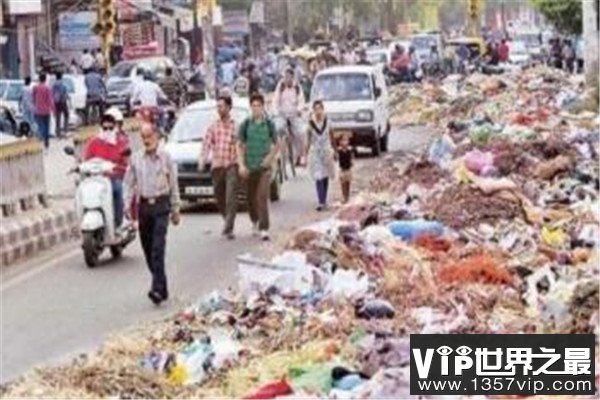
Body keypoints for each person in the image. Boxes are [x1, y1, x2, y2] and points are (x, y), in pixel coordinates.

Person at [124, 123, 180, 306]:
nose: (146, 140)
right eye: (143, 137)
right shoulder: (136, 159)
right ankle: (162, 287)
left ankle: (156, 288)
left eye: (149, 136)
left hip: (161, 206)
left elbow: (174, 184)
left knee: (158, 249)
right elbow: (128, 183)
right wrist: (126, 205)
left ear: (156, 136)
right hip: (145, 207)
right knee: (148, 250)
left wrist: (175, 208)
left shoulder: (166, 158)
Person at [237, 93, 278, 241]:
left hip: (264, 168)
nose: (256, 109)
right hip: (249, 166)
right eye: (253, 106)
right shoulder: (246, 124)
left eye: (258, 106)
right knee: (250, 198)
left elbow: (278, 143)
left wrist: (270, 157)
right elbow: (240, 145)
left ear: (263, 107)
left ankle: (264, 228)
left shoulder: (269, 124)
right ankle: (254, 220)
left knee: (262, 197)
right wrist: (241, 164)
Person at [83, 112, 130, 231]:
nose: (107, 130)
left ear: (115, 128)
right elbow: (87, 161)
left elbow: (126, 161)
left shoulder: (121, 142)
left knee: (117, 189)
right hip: (97, 179)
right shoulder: (93, 143)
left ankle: (118, 223)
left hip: (115, 178)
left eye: (110, 128)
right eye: (105, 128)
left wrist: (121, 167)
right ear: (101, 128)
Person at [201, 96, 239, 240]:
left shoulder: (236, 126)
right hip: (217, 166)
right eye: (218, 107)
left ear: (229, 108)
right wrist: (202, 159)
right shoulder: (213, 126)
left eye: (222, 106)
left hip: (231, 165)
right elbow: (206, 144)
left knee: (231, 197)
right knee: (220, 197)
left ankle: (228, 228)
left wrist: (241, 163)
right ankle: (227, 220)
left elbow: (240, 146)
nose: (219, 109)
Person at [304, 100, 335, 211]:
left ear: (323, 109)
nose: (318, 111)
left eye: (319, 108)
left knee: (325, 175)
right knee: (318, 176)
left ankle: (324, 199)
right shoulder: (310, 124)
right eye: (315, 109)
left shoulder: (328, 122)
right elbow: (307, 139)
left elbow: (332, 137)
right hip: (316, 152)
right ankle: (321, 201)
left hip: (326, 151)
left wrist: (335, 151)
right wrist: (305, 153)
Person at [273, 68, 306, 166]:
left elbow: (301, 101)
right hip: (282, 115)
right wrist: (276, 112)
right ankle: (277, 153)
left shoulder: (297, 88)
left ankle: (301, 155)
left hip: (294, 114)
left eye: (289, 77)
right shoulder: (280, 87)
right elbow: (275, 101)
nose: (287, 79)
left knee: (301, 133)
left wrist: (299, 110)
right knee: (276, 129)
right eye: (285, 77)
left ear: (292, 77)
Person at [32, 73, 54, 149]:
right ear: (45, 79)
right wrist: (53, 108)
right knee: (46, 126)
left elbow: (33, 98)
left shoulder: (36, 88)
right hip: (46, 110)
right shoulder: (47, 88)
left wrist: (35, 106)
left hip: (38, 110)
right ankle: (46, 141)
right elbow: (50, 100)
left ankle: (40, 137)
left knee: (40, 125)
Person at [336, 132, 354, 204]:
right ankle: (344, 196)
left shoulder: (350, 150)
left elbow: (352, 158)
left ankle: (347, 196)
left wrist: (352, 161)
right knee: (343, 184)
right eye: (343, 140)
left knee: (348, 183)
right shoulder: (339, 151)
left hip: (348, 169)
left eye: (346, 140)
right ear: (340, 142)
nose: (345, 142)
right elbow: (336, 158)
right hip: (342, 170)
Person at [51, 72, 70, 138]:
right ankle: (65, 130)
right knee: (66, 115)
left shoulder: (53, 85)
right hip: (63, 102)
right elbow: (66, 93)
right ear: (61, 77)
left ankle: (58, 131)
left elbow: (52, 94)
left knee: (58, 117)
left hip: (56, 103)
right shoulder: (63, 84)